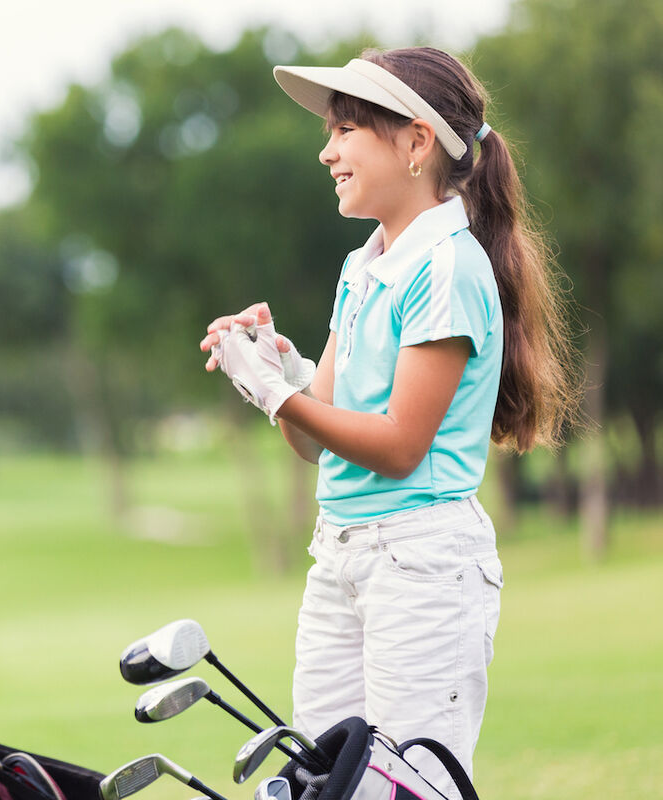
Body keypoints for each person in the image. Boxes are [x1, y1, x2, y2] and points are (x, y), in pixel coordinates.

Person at [199, 47, 579, 794]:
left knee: (412, 787)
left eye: (346, 130)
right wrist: (281, 376)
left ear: (415, 143)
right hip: (340, 555)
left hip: (422, 565)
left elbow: (402, 446)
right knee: (327, 783)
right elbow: (314, 436)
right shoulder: (365, 265)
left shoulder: (448, 266)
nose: (326, 150)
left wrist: (279, 395)